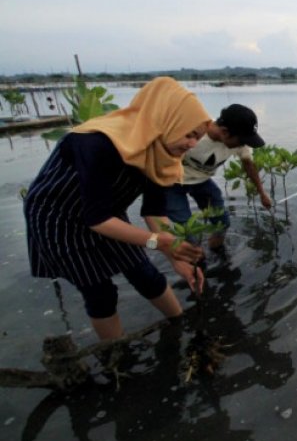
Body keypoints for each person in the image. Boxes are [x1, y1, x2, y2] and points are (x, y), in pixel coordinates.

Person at [24, 77, 210, 341]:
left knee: (145, 274)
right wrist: (159, 242)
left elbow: (154, 211)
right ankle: (116, 355)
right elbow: (97, 218)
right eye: (190, 134)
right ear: (168, 119)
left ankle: (180, 323)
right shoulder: (96, 141)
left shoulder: (162, 155)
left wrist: (177, 258)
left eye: (198, 138)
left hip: (107, 212)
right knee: (99, 292)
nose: (192, 145)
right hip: (58, 217)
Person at [165, 103, 272, 249]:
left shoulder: (239, 142)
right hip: (172, 184)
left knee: (222, 224)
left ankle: (216, 253)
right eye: (241, 141)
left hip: (202, 182)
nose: (242, 145)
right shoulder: (193, 133)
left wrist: (262, 193)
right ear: (224, 132)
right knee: (189, 233)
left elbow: (248, 164)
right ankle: (195, 262)